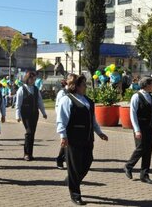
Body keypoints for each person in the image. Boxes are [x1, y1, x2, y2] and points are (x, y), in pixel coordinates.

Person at [57, 75, 108, 205]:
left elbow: (93, 120)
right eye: (84, 84)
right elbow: (61, 120)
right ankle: (75, 194)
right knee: (74, 167)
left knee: (87, 162)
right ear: (77, 86)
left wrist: (99, 133)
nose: (86, 87)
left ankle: (71, 180)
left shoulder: (88, 101)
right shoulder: (66, 100)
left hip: (87, 138)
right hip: (73, 139)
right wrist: (63, 136)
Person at [124, 76, 152, 184]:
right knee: (141, 147)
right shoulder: (136, 96)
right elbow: (133, 114)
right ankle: (128, 165)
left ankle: (144, 174)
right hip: (140, 126)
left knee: (148, 150)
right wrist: (137, 129)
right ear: (146, 85)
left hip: (150, 126)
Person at [16, 71, 47, 161]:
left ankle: (30, 153)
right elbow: (18, 104)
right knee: (29, 132)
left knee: (32, 133)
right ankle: (26, 153)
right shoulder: (22, 89)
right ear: (27, 78)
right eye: (31, 78)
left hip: (34, 114)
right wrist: (17, 116)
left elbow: (40, 102)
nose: (33, 80)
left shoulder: (36, 89)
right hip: (25, 114)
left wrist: (43, 113)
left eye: (34, 78)